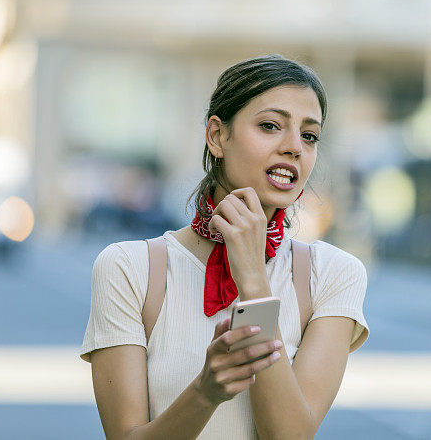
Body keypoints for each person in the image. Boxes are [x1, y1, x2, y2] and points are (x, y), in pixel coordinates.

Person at [79, 54, 370, 439]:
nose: (294, 147)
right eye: (270, 126)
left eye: (309, 135)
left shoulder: (333, 274)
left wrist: (254, 282)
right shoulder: (129, 268)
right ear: (217, 136)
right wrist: (205, 391)